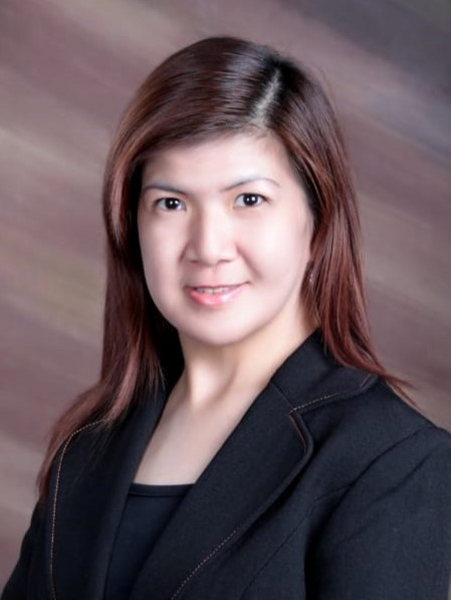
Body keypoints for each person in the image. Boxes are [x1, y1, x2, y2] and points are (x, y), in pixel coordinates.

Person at [3, 36, 451, 600]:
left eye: (248, 200)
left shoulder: (391, 460)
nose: (209, 247)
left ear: (318, 223)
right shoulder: (89, 445)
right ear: (131, 227)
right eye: (171, 203)